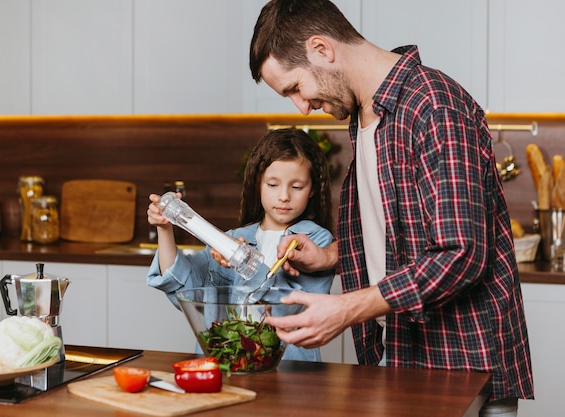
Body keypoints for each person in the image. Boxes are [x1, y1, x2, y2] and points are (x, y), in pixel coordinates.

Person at [249, 0, 533, 415]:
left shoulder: (434, 106)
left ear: (322, 49)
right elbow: (398, 237)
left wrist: (347, 308)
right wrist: (329, 256)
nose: (300, 106)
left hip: (459, 366)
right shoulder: (365, 116)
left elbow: (462, 254)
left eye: (294, 87)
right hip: (399, 359)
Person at [146, 127, 335, 362]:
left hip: (289, 369)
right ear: (258, 184)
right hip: (228, 363)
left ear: (313, 189)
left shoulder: (317, 242)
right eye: (273, 185)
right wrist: (165, 228)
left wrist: (244, 262)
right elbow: (183, 287)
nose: (284, 196)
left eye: (296, 187)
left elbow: (292, 306)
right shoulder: (233, 238)